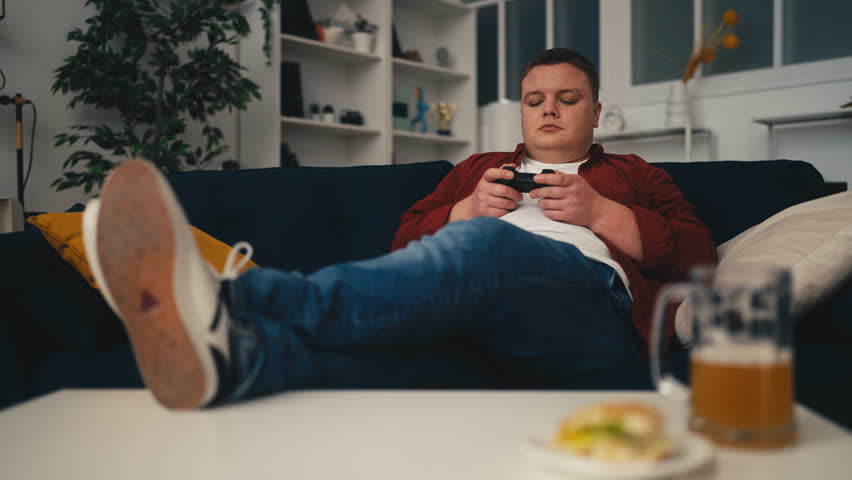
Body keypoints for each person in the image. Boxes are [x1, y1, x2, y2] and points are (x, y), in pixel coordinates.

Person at [83, 48, 716, 409]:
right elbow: (405, 244)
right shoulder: (478, 168)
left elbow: (698, 259)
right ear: (520, 110)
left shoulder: (635, 173)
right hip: (480, 315)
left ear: (596, 112)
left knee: (488, 245)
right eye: (534, 99)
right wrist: (464, 210)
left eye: (567, 99)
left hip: (591, 314)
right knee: (424, 354)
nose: (548, 109)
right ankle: (236, 360)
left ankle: (228, 298)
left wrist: (600, 214)